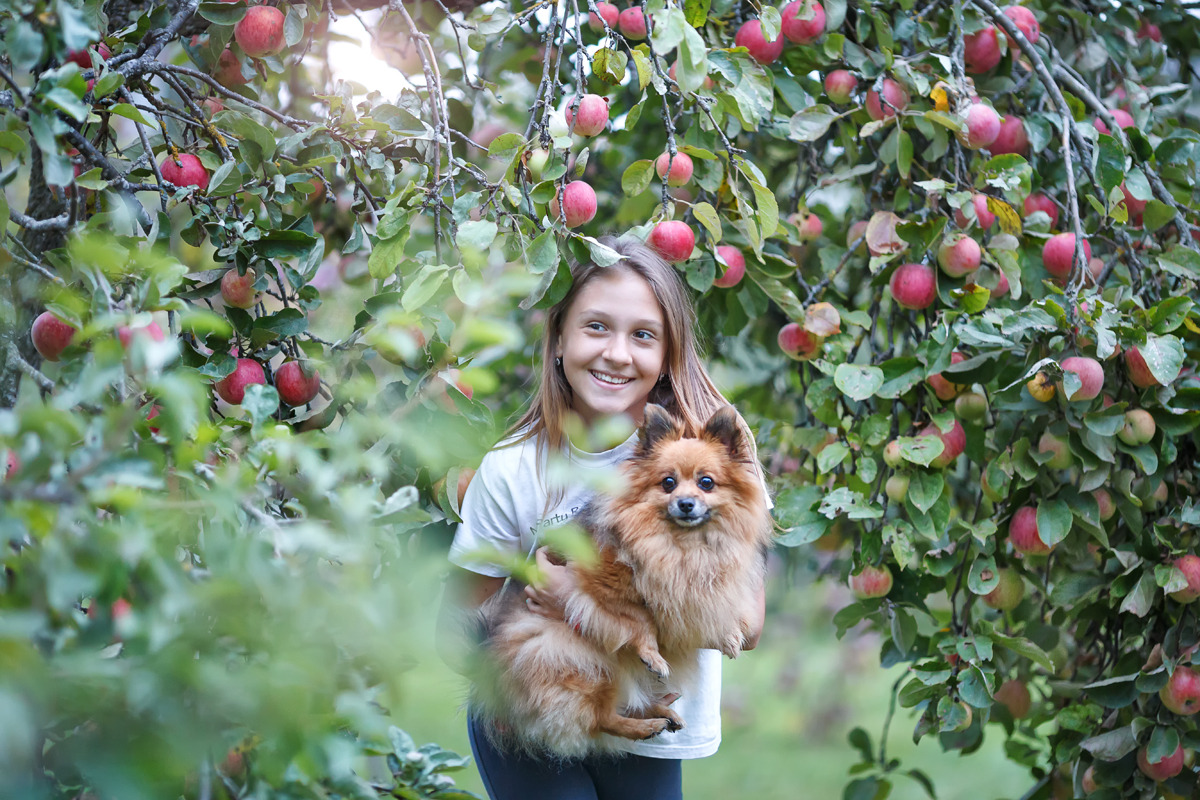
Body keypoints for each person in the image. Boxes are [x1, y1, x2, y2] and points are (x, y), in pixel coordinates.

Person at [437, 235, 770, 800]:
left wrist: (576, 596)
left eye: (643, 334)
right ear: (559, 338)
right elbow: (452, 633)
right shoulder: (516, 469)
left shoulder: (715, 460)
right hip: (532, 713)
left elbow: (746, 626)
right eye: (596, 326)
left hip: (649, 719)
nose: (617, 353)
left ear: (668, 351)